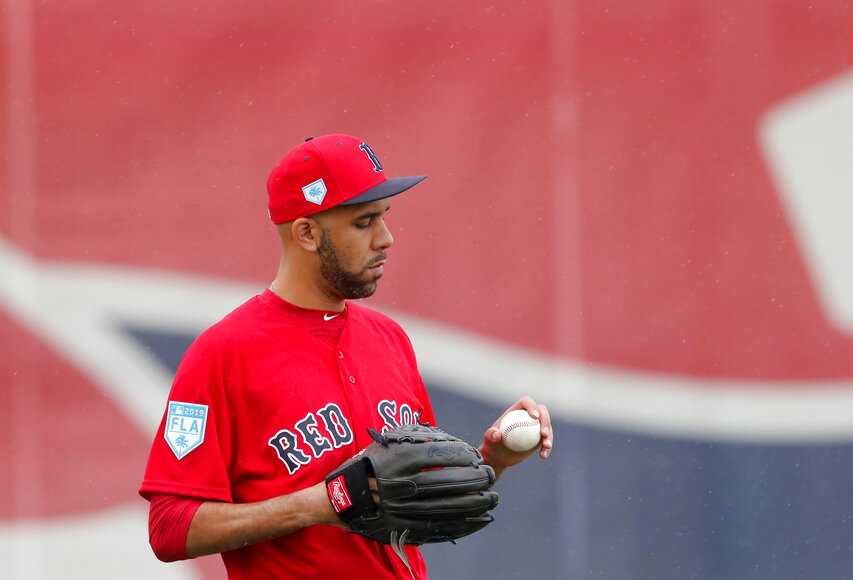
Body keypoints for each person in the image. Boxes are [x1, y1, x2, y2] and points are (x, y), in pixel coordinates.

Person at [139, 134, 554, 579]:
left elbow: (418, 502)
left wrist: (491, 460)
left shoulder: (389, 339)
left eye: (385, 217)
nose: (386, 238)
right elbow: (170, 527)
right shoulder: (222, 354)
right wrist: (317, 504)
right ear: (307, 233)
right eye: (364, 222)